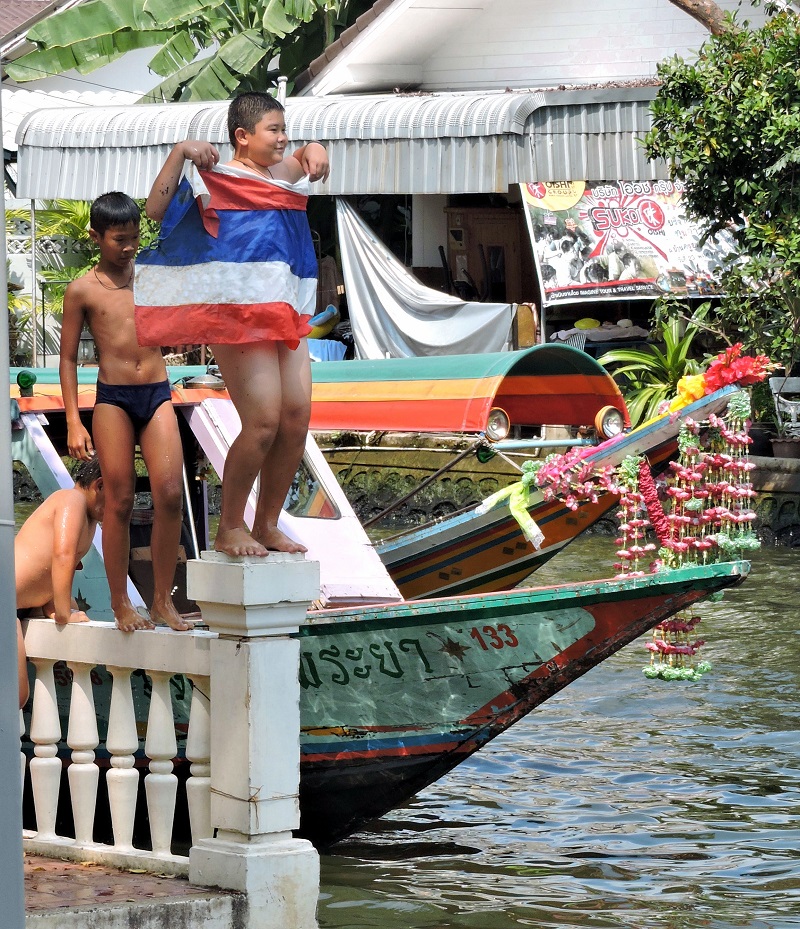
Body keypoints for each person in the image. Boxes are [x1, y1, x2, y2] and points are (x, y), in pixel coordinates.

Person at [140, 91, 330, 558]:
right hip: (235, 316)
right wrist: (181, 152)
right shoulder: (217, 177)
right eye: (274, 130)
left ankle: (266, 524)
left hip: (282, 308)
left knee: (296, 418)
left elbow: (304, 156)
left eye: (285, 129)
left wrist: (315, 150)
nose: (284, 139)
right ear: (242, 136)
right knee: (263, 420)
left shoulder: (279, 174)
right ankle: (229, 527)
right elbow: (155, 211)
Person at [59, 193, 192, 632]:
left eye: (134, 237)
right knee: (117, 501)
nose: (129, 246)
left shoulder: (151, 275)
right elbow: (68, 360)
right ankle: (120, 604)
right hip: (112, 399)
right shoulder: (82, 289)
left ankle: (162, 601)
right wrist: (74, 420)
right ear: (96, 236)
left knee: (170, 492)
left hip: (156, 392)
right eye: (120, 239)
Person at [15, 458, 105, 703]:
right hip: (6, 600)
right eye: (120, 496)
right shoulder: (70, 499)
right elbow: (62, 555)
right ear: (99, 485)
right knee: (17, 695)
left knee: (17, 697)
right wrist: (64, 613)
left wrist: (53, 603)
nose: (123, 506)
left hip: (20, 605)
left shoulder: (92, 521)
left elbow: (51, 570)